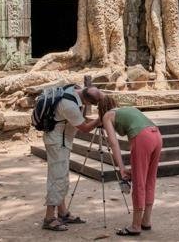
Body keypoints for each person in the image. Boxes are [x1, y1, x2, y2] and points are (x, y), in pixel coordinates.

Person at [96, 95, 162, 237]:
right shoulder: (125, 109)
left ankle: (135, 226)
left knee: (138, 182)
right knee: (150, 179)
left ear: (100, 109)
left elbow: (113, 143)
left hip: (142, 138)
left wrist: (121, 169)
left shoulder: (107, 116)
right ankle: (146, 221)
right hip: (156, 135)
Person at [42, 85, 102, 231]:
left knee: (61, 176)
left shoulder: (74, 89)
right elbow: (85, 128)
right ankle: (49, 218)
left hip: (60, 141)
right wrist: (101, 119)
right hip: (57, 143)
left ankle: (63, 213)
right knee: (58, 178)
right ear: (87, 101)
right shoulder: (69, 106)